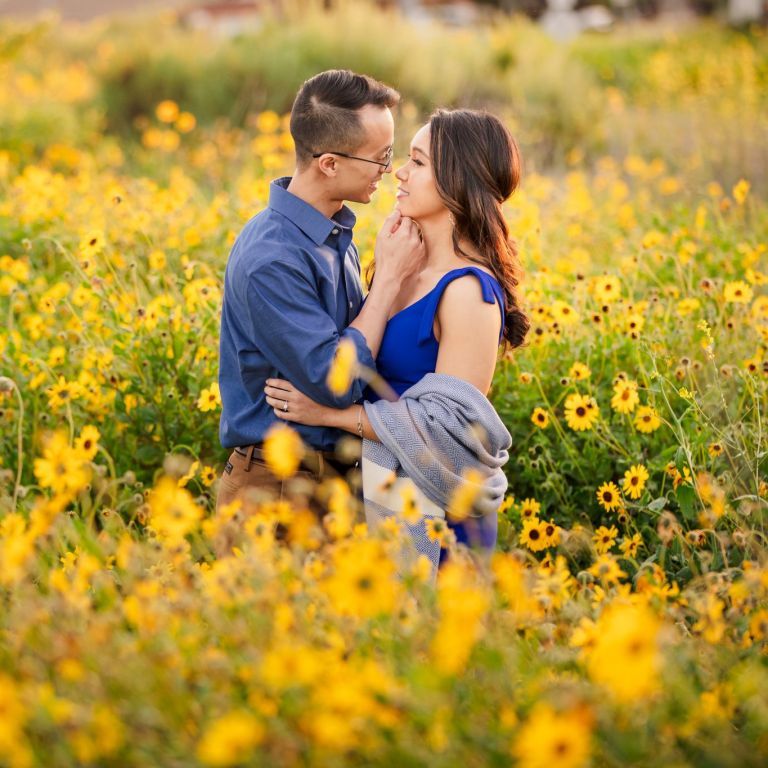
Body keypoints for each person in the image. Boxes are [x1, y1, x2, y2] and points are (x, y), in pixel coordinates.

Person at [265, 109, 529, 572]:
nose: (399, 173)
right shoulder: (403, 264)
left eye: (418, 162)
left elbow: (448, 434)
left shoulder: (468, 291)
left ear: (456, 182)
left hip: (440, 518)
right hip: (384, 495)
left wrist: (329, 414)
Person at [216, 70, 425, 514]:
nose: (389, 172)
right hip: (278, 488)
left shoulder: (328, 233)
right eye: (381, 158)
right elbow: (339, 378)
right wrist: (387, 282)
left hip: (329, 478)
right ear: (329, 163)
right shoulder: (272, 257)